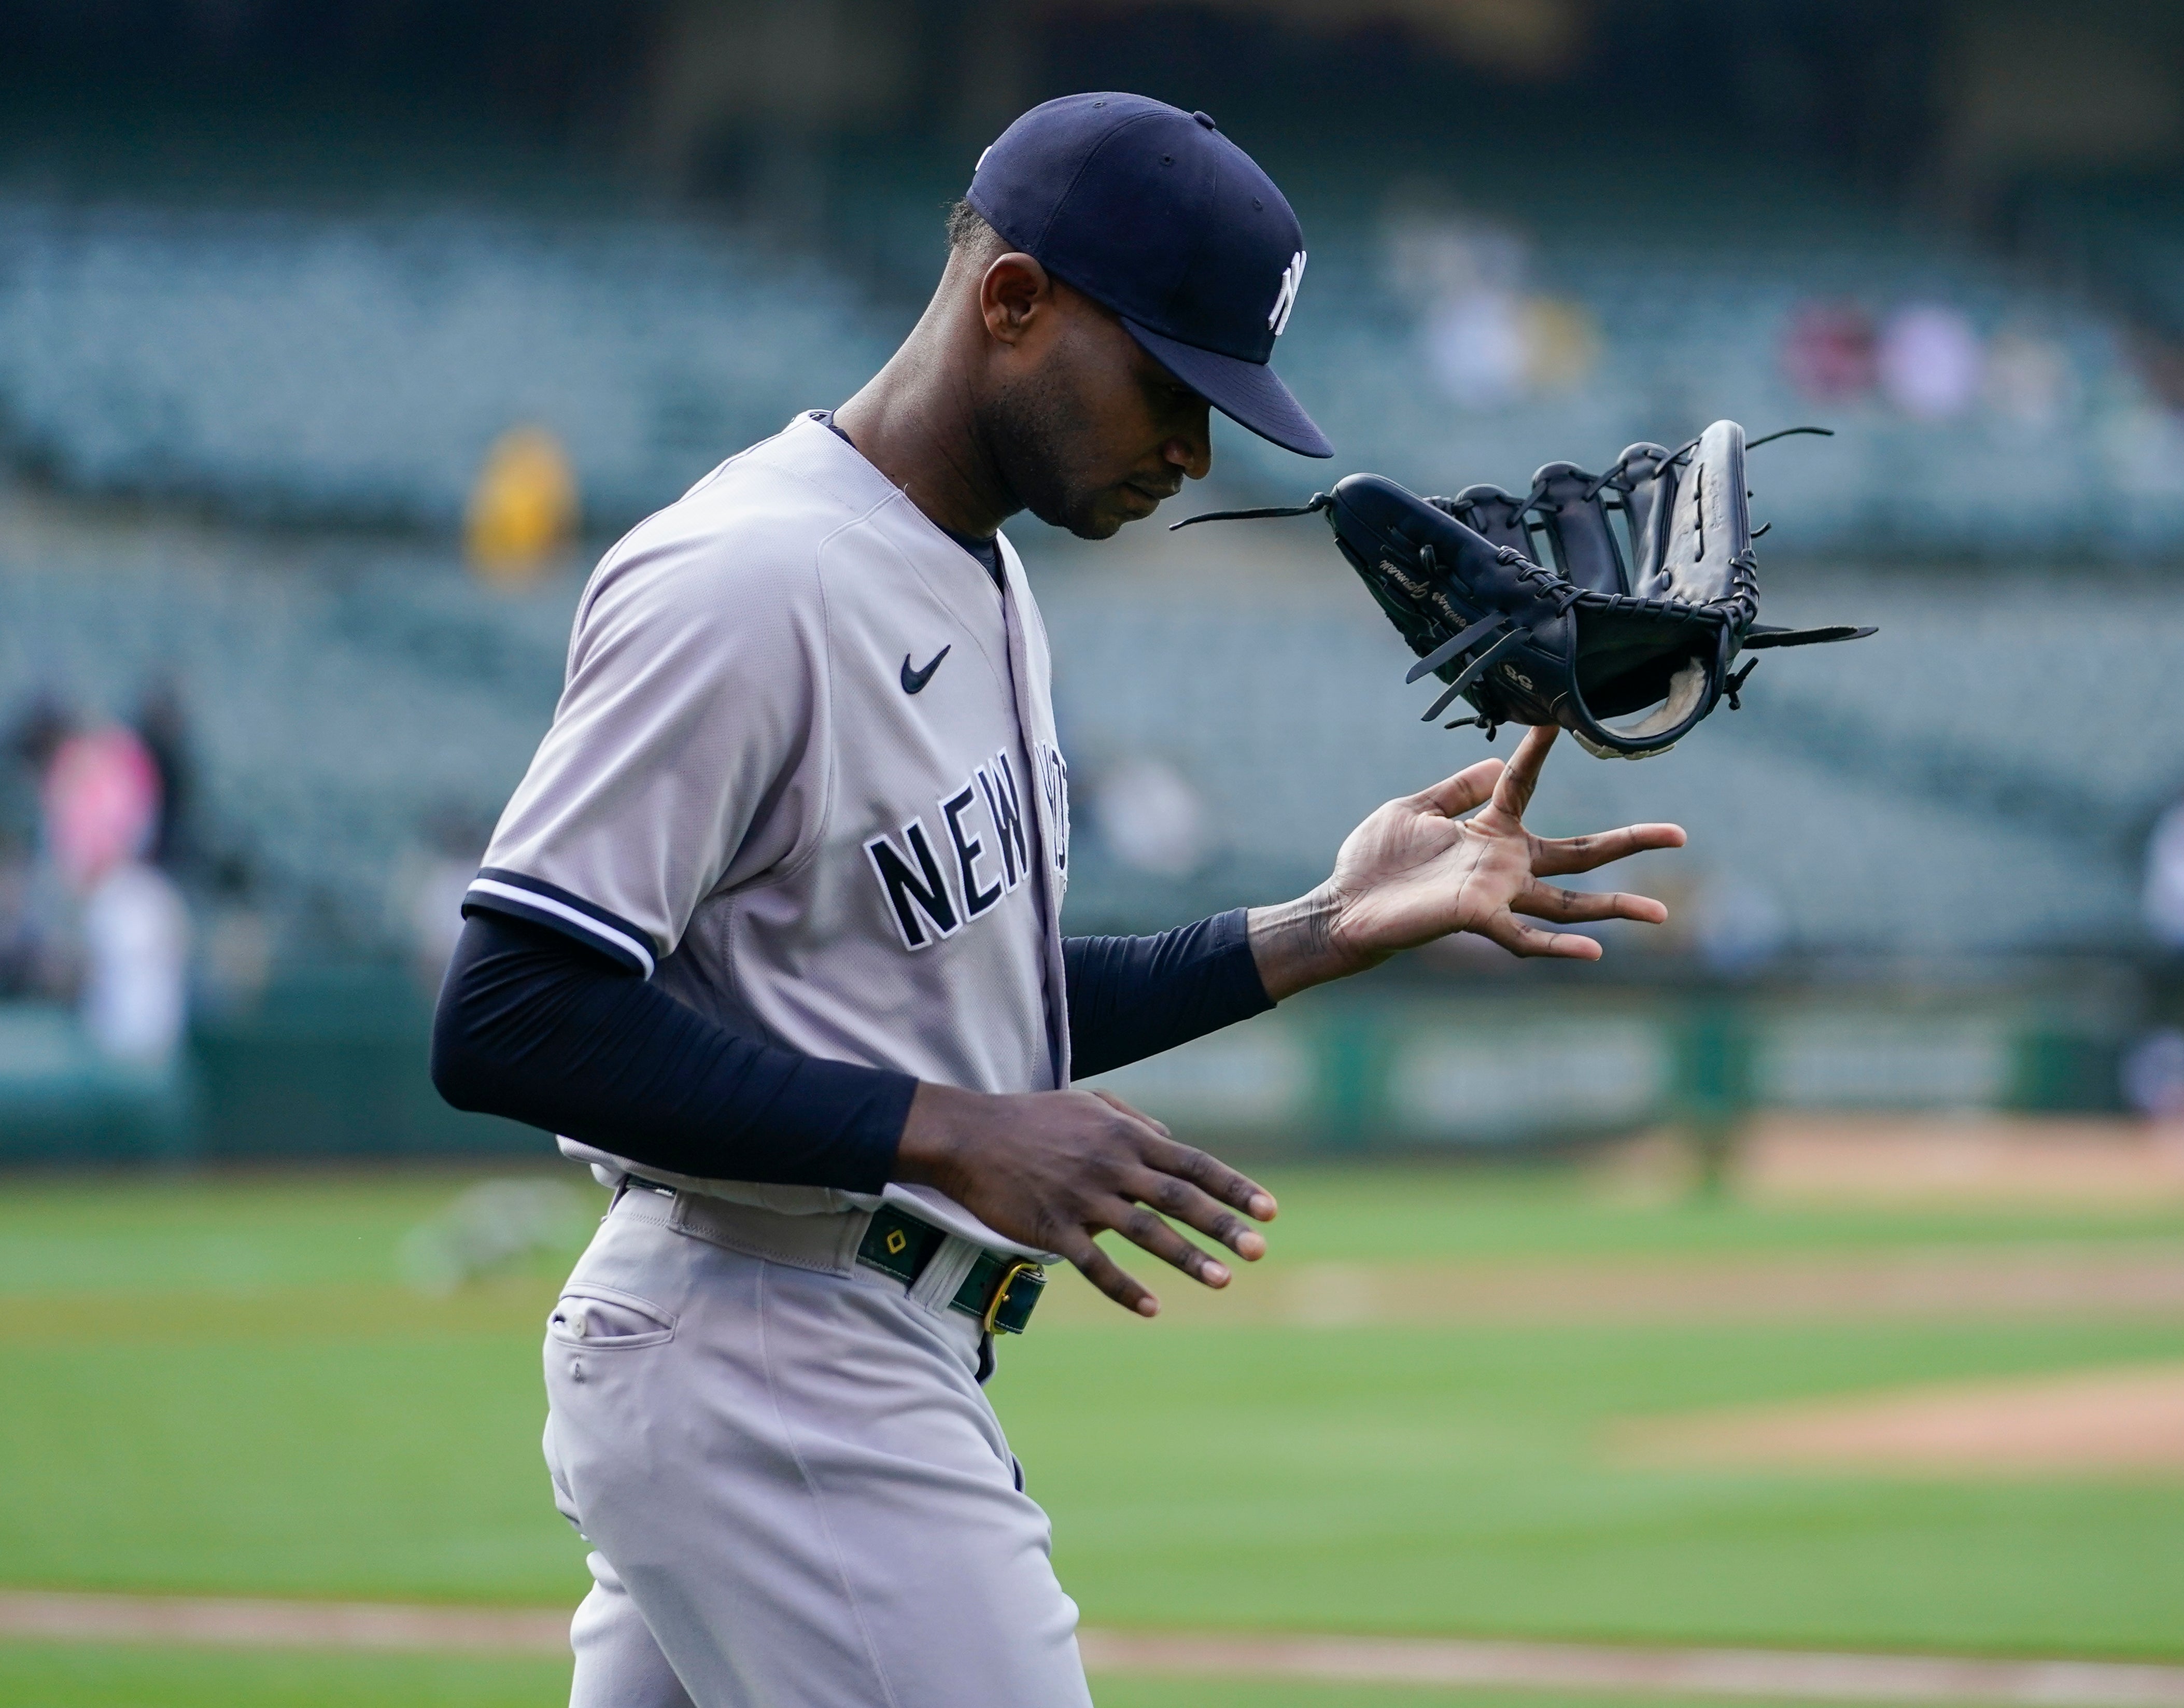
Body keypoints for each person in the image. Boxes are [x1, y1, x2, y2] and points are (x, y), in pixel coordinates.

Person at [429, 93, 1681, 1708]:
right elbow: (510, 1012)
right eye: (1171, 384)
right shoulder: (749, 577)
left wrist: (1319, 928)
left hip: (808, 1346)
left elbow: (953, 1005)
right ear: (1013, 301)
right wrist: (955, 1134)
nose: (1196, 450)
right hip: (779, 1357)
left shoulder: (983, 571)